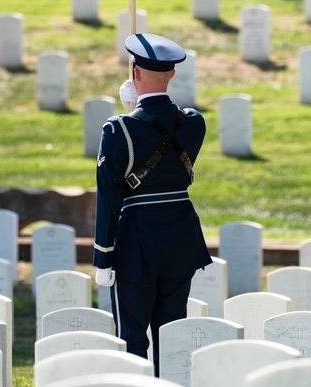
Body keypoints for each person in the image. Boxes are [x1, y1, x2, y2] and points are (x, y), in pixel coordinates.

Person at [93, 33, 212, 375]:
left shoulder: (118, 130)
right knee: (172, 332)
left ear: (134, 73)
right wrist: (141, 106)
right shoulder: (194, 123)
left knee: (132, 337)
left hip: (136, 244)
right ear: (172, 74)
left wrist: (103, 255)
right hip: (180, 235)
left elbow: (109, 195)